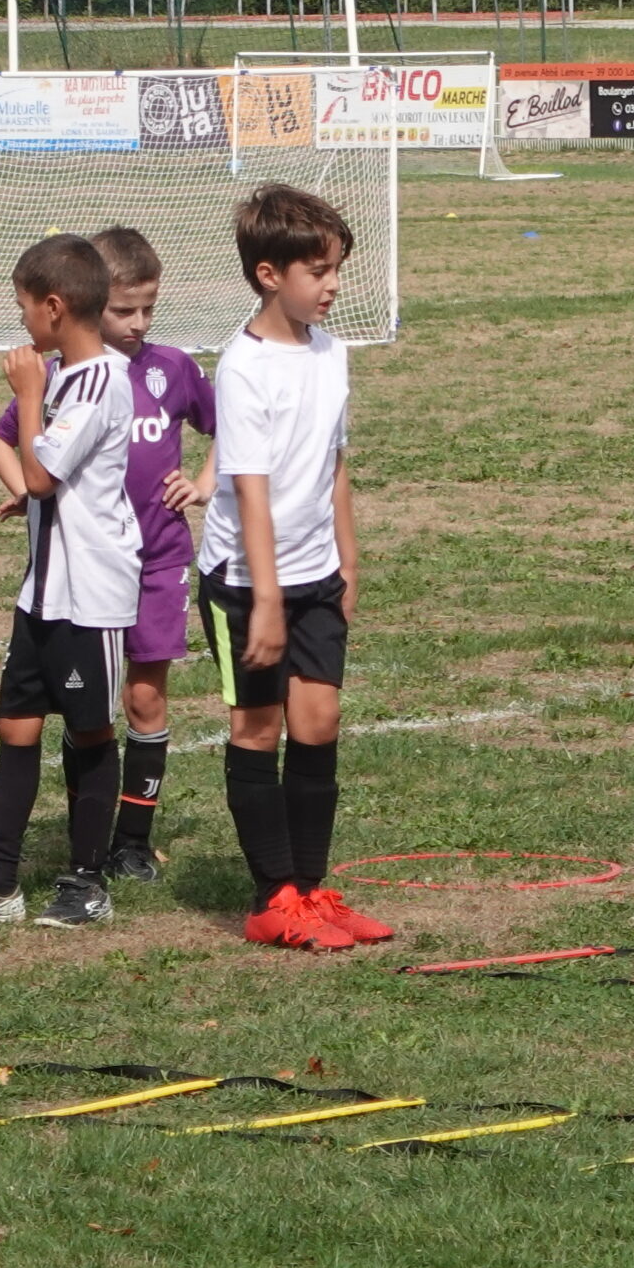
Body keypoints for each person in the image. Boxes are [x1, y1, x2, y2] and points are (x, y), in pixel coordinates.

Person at [0, 235, 142, 929]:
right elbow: (36, 478)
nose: (21, 326)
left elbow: (42, 470)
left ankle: (85, 879)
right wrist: (29, 489)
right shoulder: (67, 376)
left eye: (23, 310)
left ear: (54, 306)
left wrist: (30, 394)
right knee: (15, 726)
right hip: (41, 590)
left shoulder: (99, 379)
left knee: (90, 733)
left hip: (90, 593)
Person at [0, 228, 213, 883]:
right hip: (73, 572)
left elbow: (223, 427)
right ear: (90, 303)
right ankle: (70, 849)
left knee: (139, 702)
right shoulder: (67, 377)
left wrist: (200, 481)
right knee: (77, 707)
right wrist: (30, 499)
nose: (139, 324)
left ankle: (128, 842)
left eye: (148, 309)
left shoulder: (159, 371)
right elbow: (12, 449)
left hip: (148, 560)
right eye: (124, 309)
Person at [198, 185, 392, 952]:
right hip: (248, 581)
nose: (334, 284)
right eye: (319, 270)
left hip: (314, 572)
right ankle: (270, 899)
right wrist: (269, 599)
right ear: (269, 274)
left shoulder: (332, 351)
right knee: (257, 727)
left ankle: (311, 889)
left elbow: (335, 463)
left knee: (320, 721)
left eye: (337, 267)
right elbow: (249, 489)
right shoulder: (242, 369)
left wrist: (349, 558)